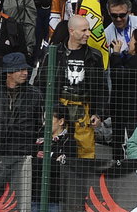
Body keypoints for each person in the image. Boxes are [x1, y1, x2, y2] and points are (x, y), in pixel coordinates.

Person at [37, 15, 108, 159]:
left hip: (84, 110)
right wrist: (45, 110)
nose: (88, 34)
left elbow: (102, 88)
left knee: (86, 152)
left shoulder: (95, 56)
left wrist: (98, 113)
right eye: (83, 30)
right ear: (71, 31)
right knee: (56, 148)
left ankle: (84, 181)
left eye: (88, 30)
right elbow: (41, 83)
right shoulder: (53, 53)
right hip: (59, 109)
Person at [0, 52, 41, 160]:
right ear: (8, 72)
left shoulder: (35, 95)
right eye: (20, 70)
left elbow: (40, 124)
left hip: (23, 152)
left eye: (25, 69)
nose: (25, 73)